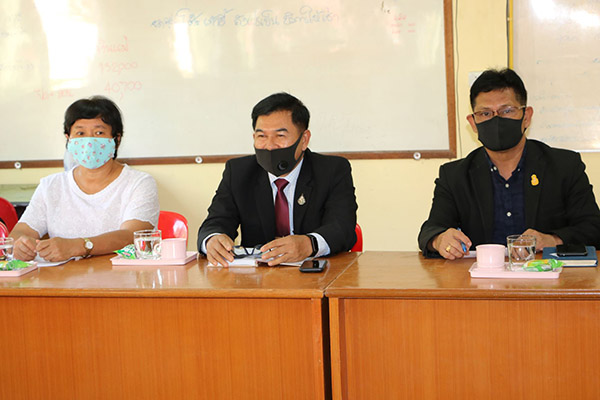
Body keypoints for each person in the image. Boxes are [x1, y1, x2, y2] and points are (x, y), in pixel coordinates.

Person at [418, 68, 600, 259]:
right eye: (485, 113)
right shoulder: (455, 175)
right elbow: (430, 230)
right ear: (473, 123)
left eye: (507, 111)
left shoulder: (564, 166)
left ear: (526, 117)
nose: (496, 120)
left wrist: (552, 239)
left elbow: (594, 227)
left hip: (547, 275)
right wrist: (439, 239)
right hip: (482, 275)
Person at [198, 92, 357, 266]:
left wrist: (309, 244)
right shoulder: (238, 172)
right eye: (262, 136)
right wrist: (212, 240)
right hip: (258, 277)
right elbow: (215, 222)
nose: (270, 146)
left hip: (317, 274)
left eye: (280, 136)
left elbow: (342, 228)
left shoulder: (331, 170)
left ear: (304, 140)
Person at [10, 96, 159, 262]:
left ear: (116, 139)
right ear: (68, 139)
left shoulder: (139, 183)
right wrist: (21, 245)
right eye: (80, 133)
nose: (89, 141)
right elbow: (19, 232)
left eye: (99, 133)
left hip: (119, 276)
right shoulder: (51, 185)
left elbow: (131, 236)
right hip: (61, 277)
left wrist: (78, 246)